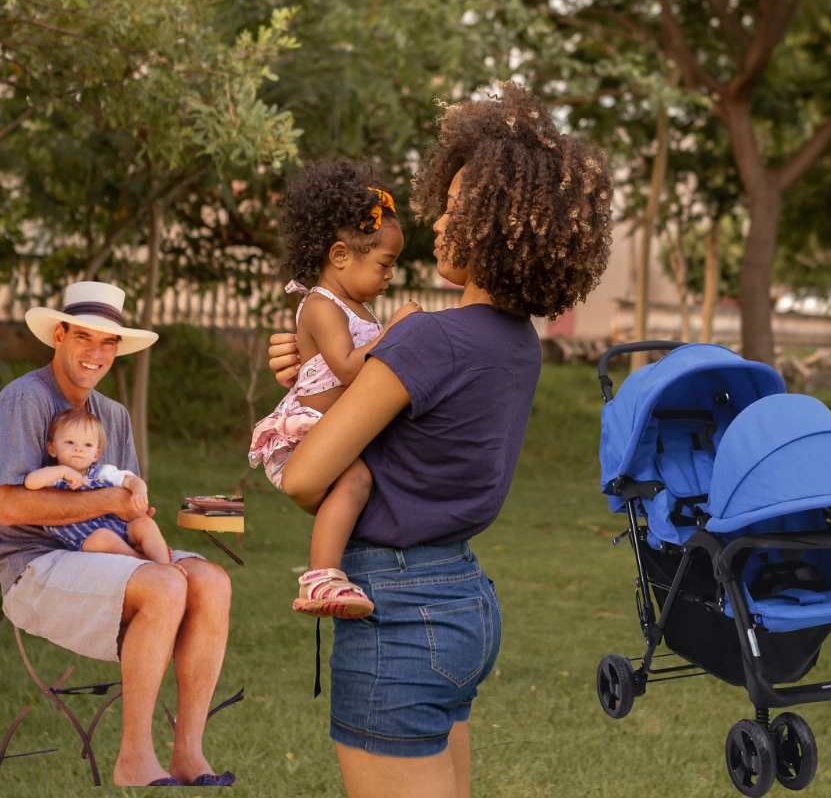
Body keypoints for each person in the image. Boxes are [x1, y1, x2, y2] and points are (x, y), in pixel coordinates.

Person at [268, 82, 613, 798]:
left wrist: (319, 393)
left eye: (456, 211)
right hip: (461, 601)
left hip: (398, 607)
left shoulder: (428, 338)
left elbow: (305, 478)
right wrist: (314, 376)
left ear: (497, 224)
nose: (440, 227)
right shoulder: (518, 345)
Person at [0, 281, 235, 787]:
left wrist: (143, 525)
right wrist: (108, 503)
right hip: (30, 564)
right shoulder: (24, 399)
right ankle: (134, 758)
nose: (97, 353)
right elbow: (6, 505)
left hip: (108, 551)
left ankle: (189, 756)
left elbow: (125, 505)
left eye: (109, 342)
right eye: (85, 336)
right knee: (165, 583)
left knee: (212, 580)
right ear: (58, 335)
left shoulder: (114, 415)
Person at [247, 158, 421, 618]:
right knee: (356, 479)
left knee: (363, 482)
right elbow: (348, 369)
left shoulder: (357, 308)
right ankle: (320, 576)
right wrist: (397, 330)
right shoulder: (321, 306)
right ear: (341, 255)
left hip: (341, 427)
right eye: (385, 264)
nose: (389, 276)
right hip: (315, 427)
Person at [26, 407, 184, 576]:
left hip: (119, 528)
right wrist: (63, 471)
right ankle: (144, 560)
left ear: (96, 454)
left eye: (87, 444)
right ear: (52, 448)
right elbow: (30, 482)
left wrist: (139, 491)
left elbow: (131, 480)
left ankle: (164, 564)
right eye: (69, 442)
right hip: (85, 541)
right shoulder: (53, 477)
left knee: (145, 525)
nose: (78, 449)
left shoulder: (102, 472)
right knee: (102, 537)